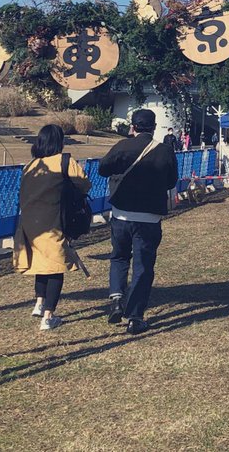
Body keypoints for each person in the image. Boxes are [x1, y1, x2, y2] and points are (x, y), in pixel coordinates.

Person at [98, 108, 179, 335]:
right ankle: (135, 316)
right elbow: (171, 181)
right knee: (143, 266)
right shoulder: (164, 151)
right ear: (154, 128)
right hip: (149, 217)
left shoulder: (121, 147)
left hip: (121, 214)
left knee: (119, 257)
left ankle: (116, 298)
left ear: (132, 127)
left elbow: (102, 169)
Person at [13, 125, 91, 331]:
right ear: (59, 141)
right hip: (54, 221)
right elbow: (85, 184)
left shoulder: (31, 165)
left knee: (41, 264)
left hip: (30, 223)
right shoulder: (64, 161)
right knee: (56, 267)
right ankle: (48, 316)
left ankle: (39, 303)